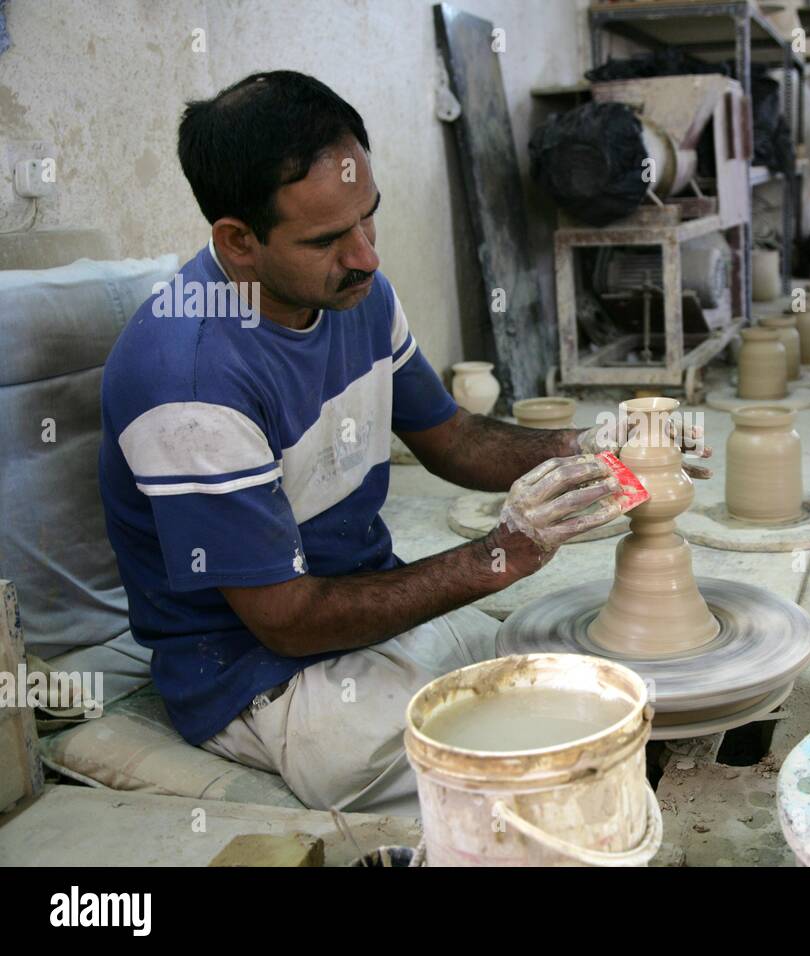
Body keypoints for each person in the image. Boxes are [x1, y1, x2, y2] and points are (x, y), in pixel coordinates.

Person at [97, 71, 709, 815]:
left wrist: (590, 444)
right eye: (327, 238)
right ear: (239, 241)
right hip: (259, 676)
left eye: (369, 219)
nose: (367, 256)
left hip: (370, 605)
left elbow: (452, 437)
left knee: (579, 687)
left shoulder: (355, 294)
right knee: (530, 785)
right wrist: (500, 555)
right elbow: (286, 620)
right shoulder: (188, 381)